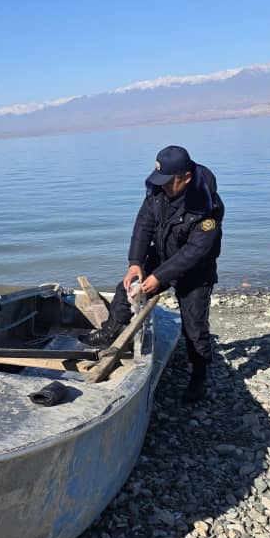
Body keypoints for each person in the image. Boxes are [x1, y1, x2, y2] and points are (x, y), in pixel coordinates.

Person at [81, 145, 224, 403]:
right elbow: (143, 224)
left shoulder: (208, 206)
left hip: (196, 271)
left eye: (170, 182)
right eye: (161, 181)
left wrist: (159, 277)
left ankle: (200, 375)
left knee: (194, 326)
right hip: (161, 255)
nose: (164, 186)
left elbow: (195, 252)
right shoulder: (158, 190)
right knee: (126, 288)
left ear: (186, 178)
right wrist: (135, 262)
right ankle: (111, 330)